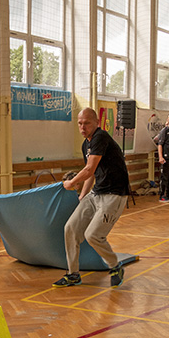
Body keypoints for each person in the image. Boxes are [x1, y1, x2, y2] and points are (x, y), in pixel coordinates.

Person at [53, 108, 130, 288]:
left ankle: (115, 266)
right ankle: (73, 274)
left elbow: (88, 169)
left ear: (97, 123)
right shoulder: (85, 145)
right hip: (96, 193)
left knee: (93, 235)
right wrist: (82, 196)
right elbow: (91, 173)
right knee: (70, 228)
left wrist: (71, 183)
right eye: (80, 123)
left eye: (87, 123)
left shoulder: (100, 137)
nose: (83, 127)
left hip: (114, 194)